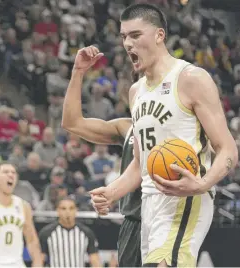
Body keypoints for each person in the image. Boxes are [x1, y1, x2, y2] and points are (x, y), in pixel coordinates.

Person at [90, 3, 238, 267]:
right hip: (149, 202)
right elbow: (139, 163)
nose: (127, 44)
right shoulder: (136, 92)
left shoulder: (191, 78)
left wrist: (202, 185)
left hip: (185, 196)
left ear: (159, 35)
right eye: (124, 36)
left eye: (136, 35)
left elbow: (227, 148)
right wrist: (112, 193)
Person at [62, 57, 142, 266]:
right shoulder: (125, 127)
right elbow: (72, 123)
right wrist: (78, 72)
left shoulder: (175, 122)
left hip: (166, 214)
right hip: (134, 221)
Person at [0, 162, 44, 267]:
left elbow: (32, 239)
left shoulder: (23, 206)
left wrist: (37, 262)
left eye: (14, 173)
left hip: (17, 263)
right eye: (5, 172)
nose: (11, 175)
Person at [38, 196, 101, 267]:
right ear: (57, 211)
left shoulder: (86, 233)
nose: (67, 212)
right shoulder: (46, 233)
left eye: (71, 208)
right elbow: (39, 260)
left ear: (76, 210)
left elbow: (95, 260)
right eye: (63, 209)